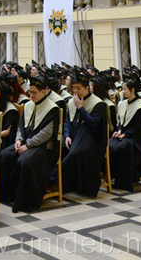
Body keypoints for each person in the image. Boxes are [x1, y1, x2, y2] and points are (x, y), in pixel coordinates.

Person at [0, 74, 60, 212]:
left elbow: (46, 133)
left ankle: (25, 201)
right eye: (30, 92)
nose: (31, 95)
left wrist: (28, 145)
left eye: (34, 92)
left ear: (43, 91)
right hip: (25, 143)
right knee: (4, 155)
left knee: (25, 161)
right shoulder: (27, 105)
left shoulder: (53, 108)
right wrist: (18, 140)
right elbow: (21, 127)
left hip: (44, 147)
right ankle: (7, 194)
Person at [60, 69, 107, 197]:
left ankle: (59, 182)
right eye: (74, 88)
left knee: (78, 152)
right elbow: (67, 122)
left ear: (87, 88)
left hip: (92, 141)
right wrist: (67, 135)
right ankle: (62, 183)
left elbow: (93, 125)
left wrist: (81, 107)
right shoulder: (71, 101)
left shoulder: (98, 104)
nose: (75, 91)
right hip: (74, 138)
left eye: (78, 88)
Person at [109, 72, 141, 191]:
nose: (123, 92)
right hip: (125, 135)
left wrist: (125, 135)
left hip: (136, 139)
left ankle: (125, 181)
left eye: (125, 89)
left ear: (132, 90)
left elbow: (138, 128)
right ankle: (114, 175)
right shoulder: (122, 103)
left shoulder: (139, 106)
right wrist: (119, 131)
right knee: (110, 143)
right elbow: (122, 122)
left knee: (124, 146)